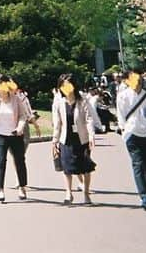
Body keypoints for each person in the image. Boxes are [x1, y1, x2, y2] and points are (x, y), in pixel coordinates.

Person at [116, 66, 146, 211]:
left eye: (139, 79)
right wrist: (124, 131)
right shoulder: (122, 96)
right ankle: (144, 196)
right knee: (138, 164)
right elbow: (120, 116)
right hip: (132, 134)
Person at [0, 74, 29, 203]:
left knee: (20, 161)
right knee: (0, 162)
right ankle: (0, 189)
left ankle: (22, 187)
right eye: (0, 84)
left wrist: (19, 128)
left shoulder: (16, 99)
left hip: (15, 135)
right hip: (0, 135)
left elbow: (23, 116)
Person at [51, 72, 97, 205]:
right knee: (67, 168)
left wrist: (91, 135)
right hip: (66, 139)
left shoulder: (82, 99)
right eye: (63, 85)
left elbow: (89, 118)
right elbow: (57, 123)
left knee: (86, 167)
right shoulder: (59, 102)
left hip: (82, 139)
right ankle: (68, 193)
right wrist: (55, 140)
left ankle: (86, 194)